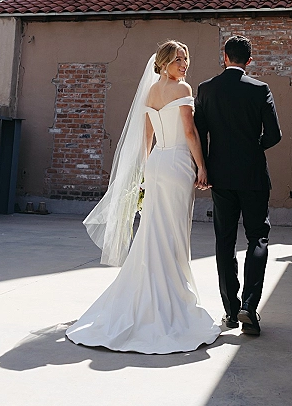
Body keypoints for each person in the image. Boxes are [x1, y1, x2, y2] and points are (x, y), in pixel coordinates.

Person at [66, 40, 221, 354]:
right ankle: (173, 297)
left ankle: (146, 293)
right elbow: (190, 133)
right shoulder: (183, 90)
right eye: (179, 59)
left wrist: (145, 168)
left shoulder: (150, 92)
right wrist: (202, 166)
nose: (184, 64)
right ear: (164, 62)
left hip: (157, 164)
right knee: (175, 232)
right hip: (177, 163)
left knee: (153, 229)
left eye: (186, 59)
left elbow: (147, 137)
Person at [194, 35, 282, 336]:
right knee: (258, 237)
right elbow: (274, 135)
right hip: (254, 175)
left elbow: (199, 134)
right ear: (249, 60)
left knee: (225, 240)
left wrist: (203, 168)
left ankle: (231, 312)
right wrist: (253, 147)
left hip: (220, 176)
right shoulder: (260, 89)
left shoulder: (206, 89)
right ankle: (250, 307)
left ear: (225, 57)